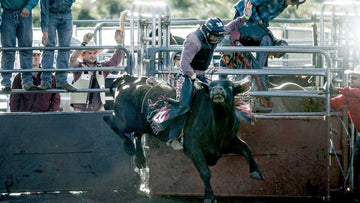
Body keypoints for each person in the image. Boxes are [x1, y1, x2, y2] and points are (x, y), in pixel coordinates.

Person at [150, 1, 253, 150]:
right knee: (184, 105)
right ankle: (170, 135)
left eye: (219, 36)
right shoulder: (193, 40)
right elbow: (184, 64)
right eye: (215, 37)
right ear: (208, 32)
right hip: (186, 75)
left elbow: (231, 26)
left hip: (201, 74)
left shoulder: (215, 33)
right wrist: (193, 77)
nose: (218, 39)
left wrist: (245, 17)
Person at [69, 30, 124, 111]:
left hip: (98, 107)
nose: (93, 56)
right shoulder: (79, 67)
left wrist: (119, 44)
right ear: (83, 55)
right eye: (89, 53)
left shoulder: (102, 67)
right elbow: (72, 59)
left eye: (94, 53)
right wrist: (83, 44)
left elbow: (115, 61)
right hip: (80, 108)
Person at [331, 67, 360, 200]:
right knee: (357, 161)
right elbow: (335, 104)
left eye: (355, 78)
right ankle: (357, 192)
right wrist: (321, 98)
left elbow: (354, 93)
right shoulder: (349, 95)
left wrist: (336, 89)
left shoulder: (352, 93)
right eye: (351, 77)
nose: (352, 80)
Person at [37, 0, 76, 91]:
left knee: (65, 48)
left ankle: (62, 81)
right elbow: (44, 7)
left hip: (66, 13)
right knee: (49, 47)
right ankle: (46, 81)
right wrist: (44, 30)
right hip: (51, 14)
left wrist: (68, 2)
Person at [0, 0, 39, 92]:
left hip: (25, 13)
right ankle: (5, 82)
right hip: (7, 14)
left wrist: (29, 7)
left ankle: (27, 82)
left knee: (26, 49)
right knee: (7, 50)